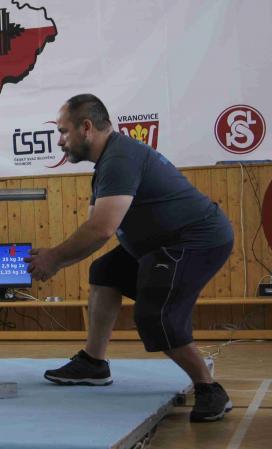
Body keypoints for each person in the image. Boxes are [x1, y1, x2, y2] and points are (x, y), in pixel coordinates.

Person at [26, 94, 234, 423]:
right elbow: (94, 225)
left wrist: (54, 259)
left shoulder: (120, 159)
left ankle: (209, 388)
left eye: (64, 131)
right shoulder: (108, 161)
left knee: (155, 317)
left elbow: (101, 229)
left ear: (86, 128)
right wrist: (55, 258)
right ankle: (93, 363)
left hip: (194, 241)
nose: (60, 140)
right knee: (105, 272)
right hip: (158, 243)